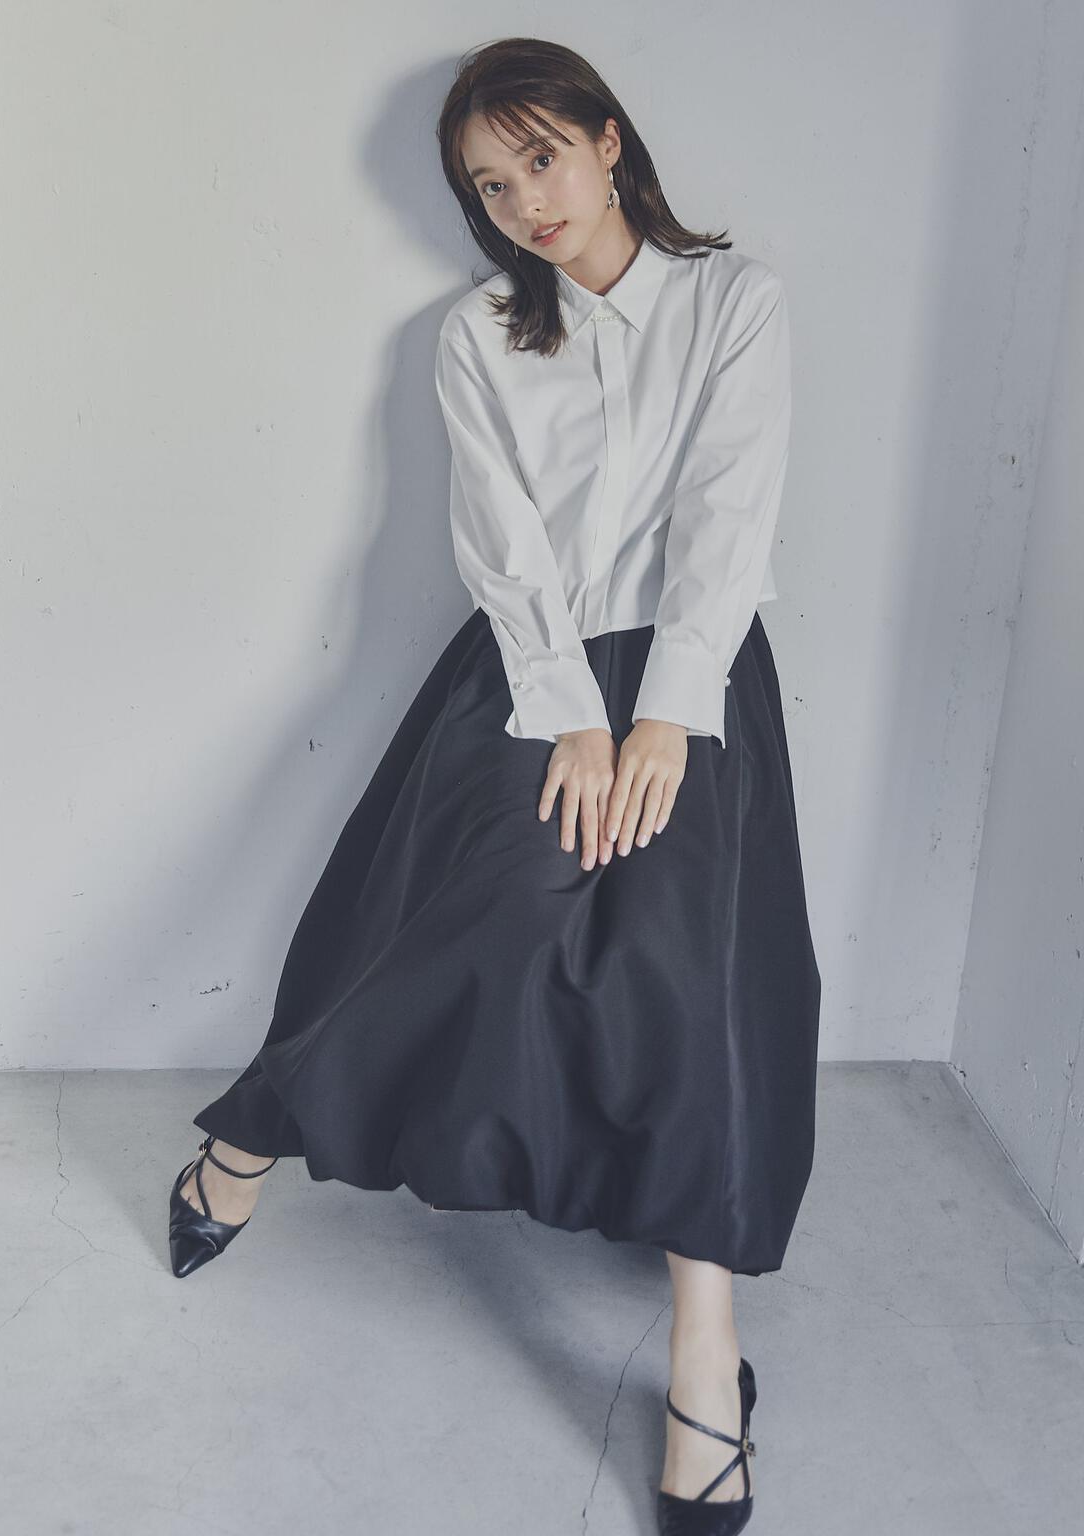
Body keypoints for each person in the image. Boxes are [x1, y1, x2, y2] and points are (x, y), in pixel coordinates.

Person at [168, 36, 820, 1536]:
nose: (526, 200)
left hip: (699, 676)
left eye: (541, 157)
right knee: (468, 918)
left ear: (606, 141)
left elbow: (729, 513)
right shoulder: (477, 333)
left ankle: (706, 1361)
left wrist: (666, 718)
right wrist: (573, 716)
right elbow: (503, 538)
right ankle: (249, 1132)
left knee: (690, 981)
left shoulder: (735, 301)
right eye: (489, 183)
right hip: (529, 674)